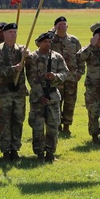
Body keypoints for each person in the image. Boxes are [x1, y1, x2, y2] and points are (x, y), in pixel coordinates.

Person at [26, 31, 69, 161]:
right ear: (39, 43)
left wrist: (55, 76)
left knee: (53, 126)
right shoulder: (33, 57)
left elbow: (65, 72)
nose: (48, 44)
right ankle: (39, 153)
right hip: (38, 97)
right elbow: (31, 78)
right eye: (45, 41)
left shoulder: (57, 57)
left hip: (53, 95)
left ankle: (50, 153)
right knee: (38, 126)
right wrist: (40, 95)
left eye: (50, 42)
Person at [0, 23, 28, 159]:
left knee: (18, 120)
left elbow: (31, 64)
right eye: (10, 32)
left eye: (15, 32)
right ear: (4, 34)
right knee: (5, 121)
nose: (13, 34)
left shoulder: (21, 49)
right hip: (4, 92)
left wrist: (27, 56)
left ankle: (15, 148)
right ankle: (6, 149)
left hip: (18, 92)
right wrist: (14, 68)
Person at [50, 16, 82, 134]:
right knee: (57, 102)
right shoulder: (51, 40)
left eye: (64, 24)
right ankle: (57, 125)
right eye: (60, 24)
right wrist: (52, 30)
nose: (62, 26)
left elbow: (80, 57)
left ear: (67, 26)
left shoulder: (74, 40)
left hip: (71, 77)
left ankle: (67, 126)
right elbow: (38, 43)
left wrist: (80, 72)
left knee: (70, 102)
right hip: (57, 77)